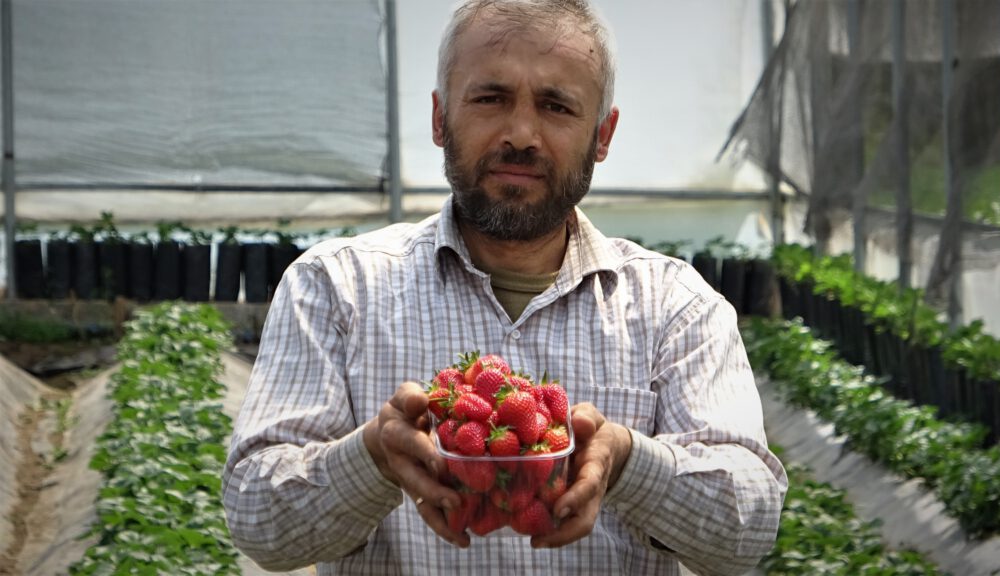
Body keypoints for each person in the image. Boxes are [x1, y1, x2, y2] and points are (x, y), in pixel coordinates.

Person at [222, 1, 787, 574]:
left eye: (556, 106)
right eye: (490, 98)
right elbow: (258, 521)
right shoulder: (335, 287)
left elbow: (748, 528)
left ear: (602, 135)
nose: (521, 134)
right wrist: (370, 459)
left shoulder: (676, 307)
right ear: (440, 118)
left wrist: (629, 464)